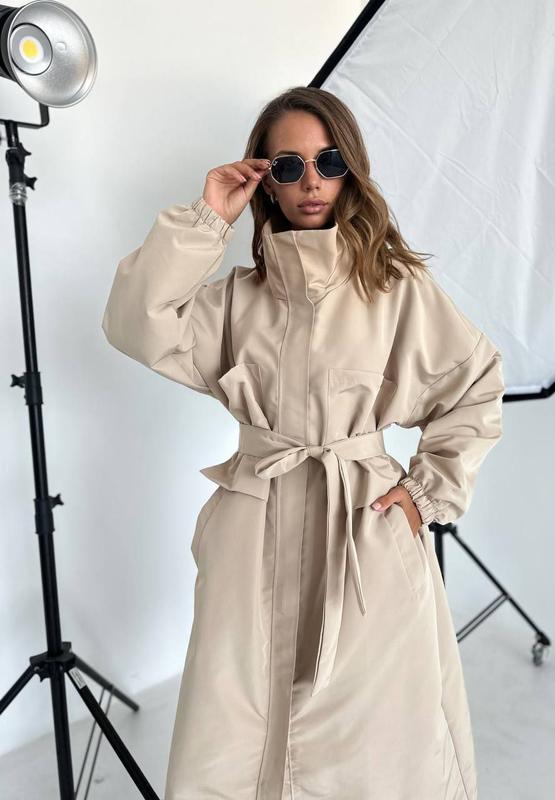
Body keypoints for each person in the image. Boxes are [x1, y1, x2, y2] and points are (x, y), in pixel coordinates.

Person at [101, 86, 504, 800]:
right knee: (237, 727)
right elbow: (136, 321)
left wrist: (425, 494)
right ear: (265, 180)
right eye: (288, 166)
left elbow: (473, 386)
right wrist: (208, 218)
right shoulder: (236, 300)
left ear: (352, 170)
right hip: (253, 529)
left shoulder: (397, 289)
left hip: (365, 530)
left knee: (375, 740)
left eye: (329, 162)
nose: (311, 181)